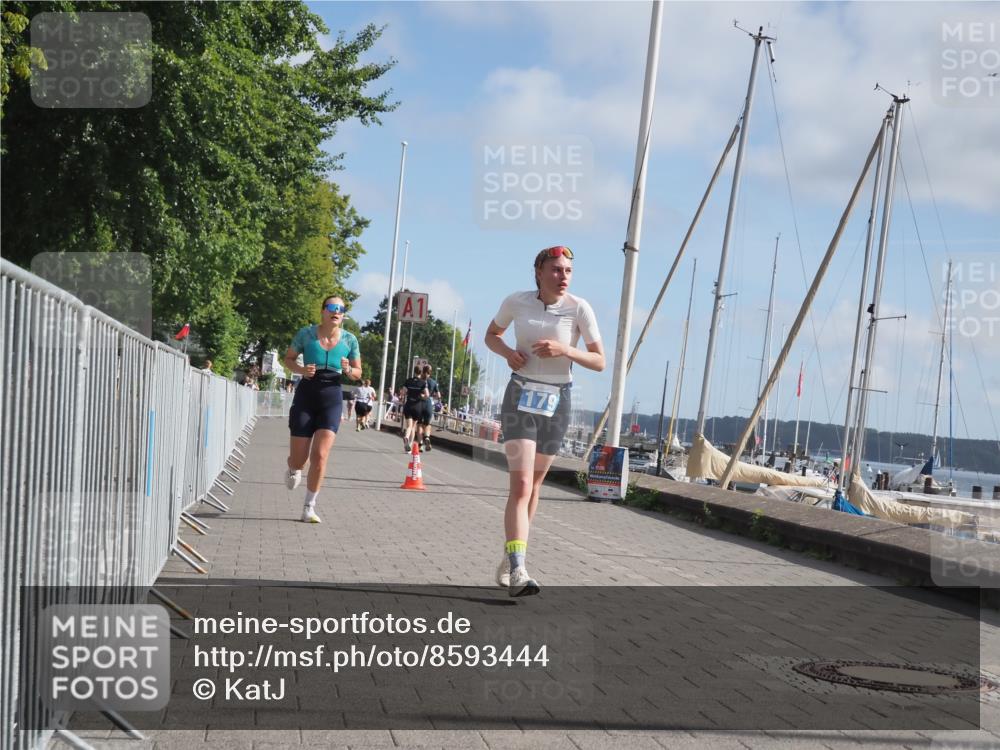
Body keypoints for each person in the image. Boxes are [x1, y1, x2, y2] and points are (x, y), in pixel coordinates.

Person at [484, 246, 604, 596]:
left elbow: (600, 361)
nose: (563, 276)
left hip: (558, 400)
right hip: (521, 395)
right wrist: (508, 354)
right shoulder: (516, 302)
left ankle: (511, 555)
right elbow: (492, 334)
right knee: (520, 486)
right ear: (538, 272)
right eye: (555, 269)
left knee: (534, 487)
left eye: (568, 270)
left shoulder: (579, 309)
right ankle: (520, 569)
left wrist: (566, 350)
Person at [283, 295, 361, 523]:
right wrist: (300, 369)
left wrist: (348, 370)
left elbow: (358, 373)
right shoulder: (306, 334)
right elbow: (288, 358)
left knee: (320, 455)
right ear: (323, 311)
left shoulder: (350, 339)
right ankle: (293, 467)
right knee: (300, 460)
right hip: (307, 394)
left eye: (341, 309)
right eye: (332, 307)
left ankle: (309, 507)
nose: (337, 312)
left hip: (332, 397)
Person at [401, 365, 429, 451]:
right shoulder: (423, 383)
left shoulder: (408, 381)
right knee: (413, 426)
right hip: (417, 407)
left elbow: (403, 392)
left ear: (414, 371)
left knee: (409, 426)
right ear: (421, 372)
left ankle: (406, 437)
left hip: (408, 405)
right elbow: (427, 395)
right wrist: (422, 396)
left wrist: (408, 393)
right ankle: (409, 444)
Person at [418, 364, 440, 452]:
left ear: (423, 371)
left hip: (419, 404)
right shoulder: (433, 382)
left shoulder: (419, 380)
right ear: (430, 372)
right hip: (428, 405)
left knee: (419, 425)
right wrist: (432, 394)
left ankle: (420, 445)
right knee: (427, 425)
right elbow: (439, 395)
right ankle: (427, 437)